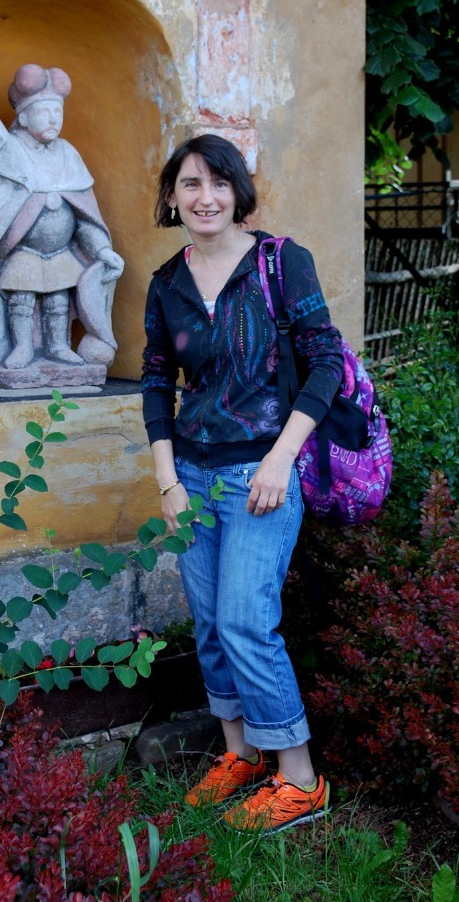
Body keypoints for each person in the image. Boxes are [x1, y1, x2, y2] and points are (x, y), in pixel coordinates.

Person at [141, 134, 344, 834]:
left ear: (238, 192)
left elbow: (325, 362)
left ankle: (301, 780)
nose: (206, 198)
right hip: (191, 475)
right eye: (190, 184)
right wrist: (167, 480)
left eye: (219, 183)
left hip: (261, 473)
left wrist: (281, 458)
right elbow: (155, 380)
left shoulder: (280, 262)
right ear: (172, 197)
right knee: (208, 624)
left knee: (244, 621)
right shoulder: (167, 283)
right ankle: (242, 754)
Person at [0, 65, 123, 371]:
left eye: (58, 111)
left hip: (60, 252)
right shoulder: (6, 151)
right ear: (23, 117)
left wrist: (101, 250)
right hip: (23, 250)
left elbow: (86, 218)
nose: (53, 118)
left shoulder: (69, 154)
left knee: (58, 300)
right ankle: (22, 348)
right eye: (44, 111)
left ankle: (58, 346)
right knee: (21, 300)